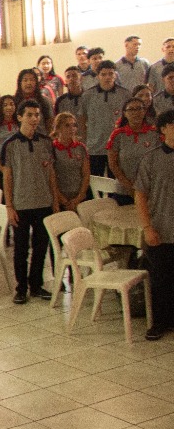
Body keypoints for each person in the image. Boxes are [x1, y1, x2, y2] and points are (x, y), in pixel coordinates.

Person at [2, 100, 59, 304]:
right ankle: (21, 288)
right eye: (30, 115)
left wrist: (55, 201)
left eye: (37, 115)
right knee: (20, 250)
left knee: (41, 246)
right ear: (19, 117)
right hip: (21, 204)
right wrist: (9, 206)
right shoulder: (10, 145)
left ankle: (36, 285)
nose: (34, 119)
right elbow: (7, 177)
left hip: (43, 202)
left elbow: (51, 173)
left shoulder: (45, 141)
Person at [136, 110, 174, 340]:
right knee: (160, 279)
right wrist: (147, 227)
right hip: (162, 227)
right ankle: (160, 322)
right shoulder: (151, 158)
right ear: (163, 129)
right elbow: (140, 195)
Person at [106, 97, 159, 205]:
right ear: (125, 113)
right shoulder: (118, 135)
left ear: (145, 111)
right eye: (131, 109)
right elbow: (113, 164)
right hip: (124, 192)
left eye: (139, 108)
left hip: (151, 190)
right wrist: (130, 187)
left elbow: (159, 162)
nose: (136, 112)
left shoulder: (154, 134)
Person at [80, 60, 128, 177]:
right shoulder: (88, 95)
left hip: (117, 147)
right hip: (95, 147)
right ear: (98, 76)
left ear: (115, 74)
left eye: (110, 74)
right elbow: (82, 120)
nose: (107, 77)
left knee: (117, 183)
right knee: (96, 183)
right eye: (103, 74)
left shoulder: (125, 94)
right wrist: (84, 142)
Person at [51, 113, 91, 213]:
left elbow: (86, 174)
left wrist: (79, 198)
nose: (72, 128)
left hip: (79, 197)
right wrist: (63, 200)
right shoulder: (52, 149)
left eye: (74, 125)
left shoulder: (80, 147)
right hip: (60, 198)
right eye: (67, 125)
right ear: (58, 128)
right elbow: (51, 177)